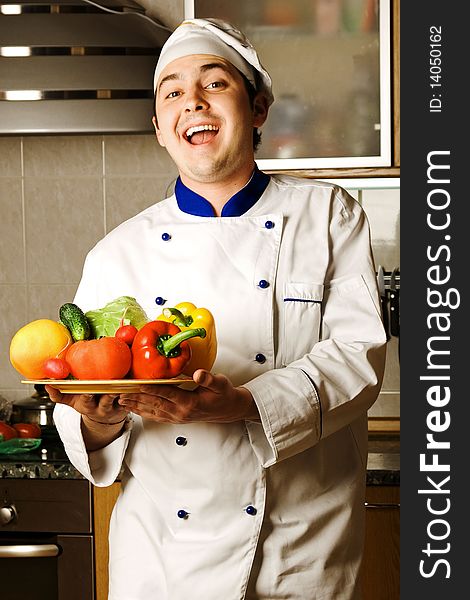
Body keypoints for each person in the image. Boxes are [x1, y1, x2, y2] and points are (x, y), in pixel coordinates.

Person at [50, 18, 386, 600]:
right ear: (159, 128)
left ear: (258, 109)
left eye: (215, 83)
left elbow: (358, 359)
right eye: (173, 92)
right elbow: (86, 403)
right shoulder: (117, 253)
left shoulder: (329, 217)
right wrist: (98, 417)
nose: (193, 102)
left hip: (300, 554)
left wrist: (246, 404)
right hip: (164, 565)